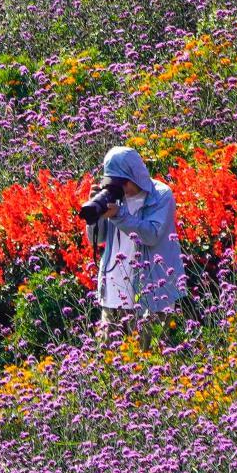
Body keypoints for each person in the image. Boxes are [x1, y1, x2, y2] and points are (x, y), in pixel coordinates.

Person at [85, 146, 186, 347]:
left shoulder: (161, 195)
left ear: (135, 175)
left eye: (123, 183)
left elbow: (151, 234)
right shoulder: (113, 197)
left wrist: (119, 215)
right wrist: (94, 212)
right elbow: (96, 239)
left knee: (150, 359)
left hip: (151, 295)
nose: (122, 189)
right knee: (109, 362)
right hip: (113, 295)